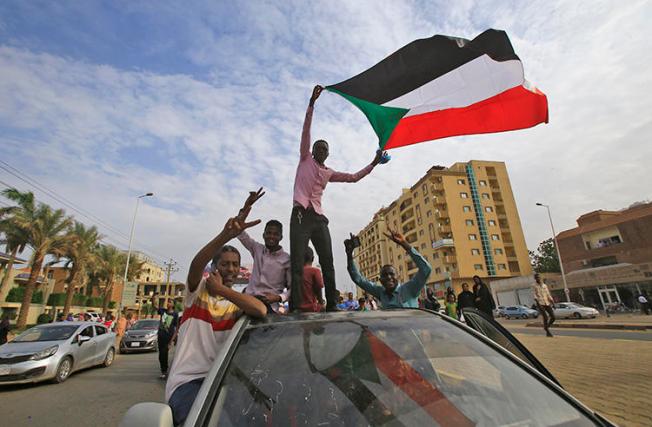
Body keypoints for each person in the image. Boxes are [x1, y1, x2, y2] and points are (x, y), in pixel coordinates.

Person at [165, 194, 268, 426]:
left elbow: (260, 310)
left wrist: (223, 291)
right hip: (188, 383)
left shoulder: (236, 300)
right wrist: (225, 235)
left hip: (223, 381)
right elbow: (195, 265)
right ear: (214, 267)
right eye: (224, 264)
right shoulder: (197, 291)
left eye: (235, 264)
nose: (231, 269)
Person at [290, 85, 385, 311]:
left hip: (318, 218)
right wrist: (311, 104)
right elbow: (306, 130)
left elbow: (353, 177)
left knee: (328, 261)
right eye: (318, 148)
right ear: (311, 150)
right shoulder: (304, 159)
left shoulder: (328, 172)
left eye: (324, 149)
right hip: (301, 215)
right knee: (296, 262)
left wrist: (373, 163)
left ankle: (332, 305)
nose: (321, 151)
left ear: (328, 154)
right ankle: (295, 305)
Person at [346, 228, 432, 308]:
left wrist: (404, 244)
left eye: (392, 274)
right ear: (380, 280)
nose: (388, 277)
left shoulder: (410, 289)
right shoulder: (380, 292)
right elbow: (358, 279)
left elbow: (426, 269)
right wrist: (349, 255)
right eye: (385, 275)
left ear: (398, 277)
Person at [236, 189, 291, 313]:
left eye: (275, 234)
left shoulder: (287, 259)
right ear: (264, 235)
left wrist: (277, 297)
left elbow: (293, 289)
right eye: (269, 233)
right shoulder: (257, 248)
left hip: (269, 307)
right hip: (248, 301)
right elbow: (238, 229)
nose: (271, 236)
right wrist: (247, 205)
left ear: (281, 237)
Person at [297, 246, 325, 312]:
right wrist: (321, 303)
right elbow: (319, 287)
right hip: (311, 307)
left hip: (297, 308)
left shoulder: (294, 272)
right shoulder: (315, 271)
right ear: (312, 258)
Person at [158, 302, 179, 379]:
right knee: (160, 355)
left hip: (168, 337)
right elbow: (155, 306)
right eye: (168, 302)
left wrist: (172, 340)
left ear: (173, 305)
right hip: (160, 336)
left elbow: (176, 328)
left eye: (170, 302)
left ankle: (165, 371)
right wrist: (154, 297)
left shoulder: (175, 314)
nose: (168, 303)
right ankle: (163, 371)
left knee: (164, 354)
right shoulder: (163, 311)